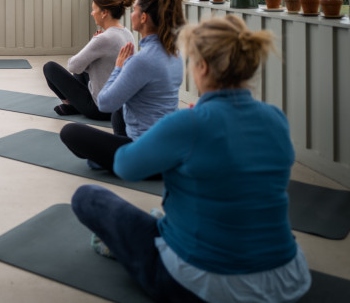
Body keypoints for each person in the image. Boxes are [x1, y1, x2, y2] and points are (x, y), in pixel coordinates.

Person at [70, 15, 311, 303]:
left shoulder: (188, 123)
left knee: (88, 197)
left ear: (203, 67)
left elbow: (125, 165)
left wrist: (166, 135)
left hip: (205, 284)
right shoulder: (276, 119)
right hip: (289, 280)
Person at [60, 0, 185, 171]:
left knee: (70, 132)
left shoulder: (141, 60)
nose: (131, 14)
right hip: (168, 144)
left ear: (143, 18)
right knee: (120, 110)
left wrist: (119, 67)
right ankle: (112, 154)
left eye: (134, 10)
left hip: (146, 153)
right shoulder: (175, 54)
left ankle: (116, 159)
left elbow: (104, 103)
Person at [43, 0, 135, 120]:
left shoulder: (104, 38)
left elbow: (73, 66)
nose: (92, 13)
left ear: (104, 13)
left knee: (49, 68)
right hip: (120, 106)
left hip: (100, 109)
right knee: (85, 65)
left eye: (94, 10)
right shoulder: (126, 33)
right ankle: (74, 105)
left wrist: (93, 41)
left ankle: (71, 105)